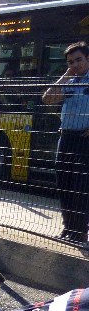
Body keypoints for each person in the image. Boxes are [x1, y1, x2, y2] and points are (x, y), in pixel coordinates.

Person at [42, 42, 89, 244]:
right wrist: (65, 75)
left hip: (85, 139)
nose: (75, 65)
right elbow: (47, 99)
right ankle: (68, 228)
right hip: (67, 137)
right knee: (64, 184)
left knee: (81, 186)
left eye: (79, 60)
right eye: (71, 62)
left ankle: (80, 232)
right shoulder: (69, 80)